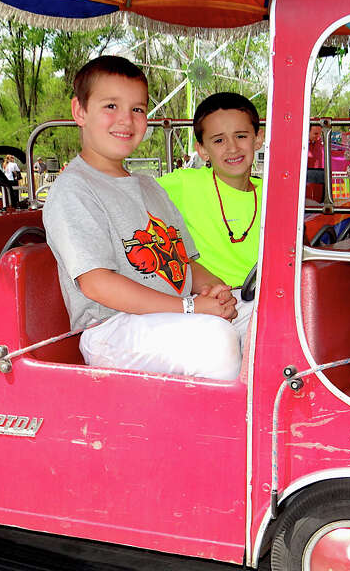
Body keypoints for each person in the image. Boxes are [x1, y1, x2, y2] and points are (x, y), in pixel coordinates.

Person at [43, 56, 243, 380]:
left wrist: (218, 291)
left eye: (137, 109)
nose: (126, 120)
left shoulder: (149, 186)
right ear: (79, 111)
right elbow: (96, 284)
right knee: (215, 341)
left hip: (172, 315)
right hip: (112, 329)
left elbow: (184, 262)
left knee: (265, 320)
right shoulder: (73, 189)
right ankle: (214, 429)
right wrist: (191, 310)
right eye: (111, 106)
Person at [158, 92, 262, 292]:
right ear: (203, 150)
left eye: (241, 136)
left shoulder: (274, 193)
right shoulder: (185, 183)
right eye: (219, 141)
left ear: (257, 139)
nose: (232, 148)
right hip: (210, 299)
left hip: (266, 296)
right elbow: (128, 193)